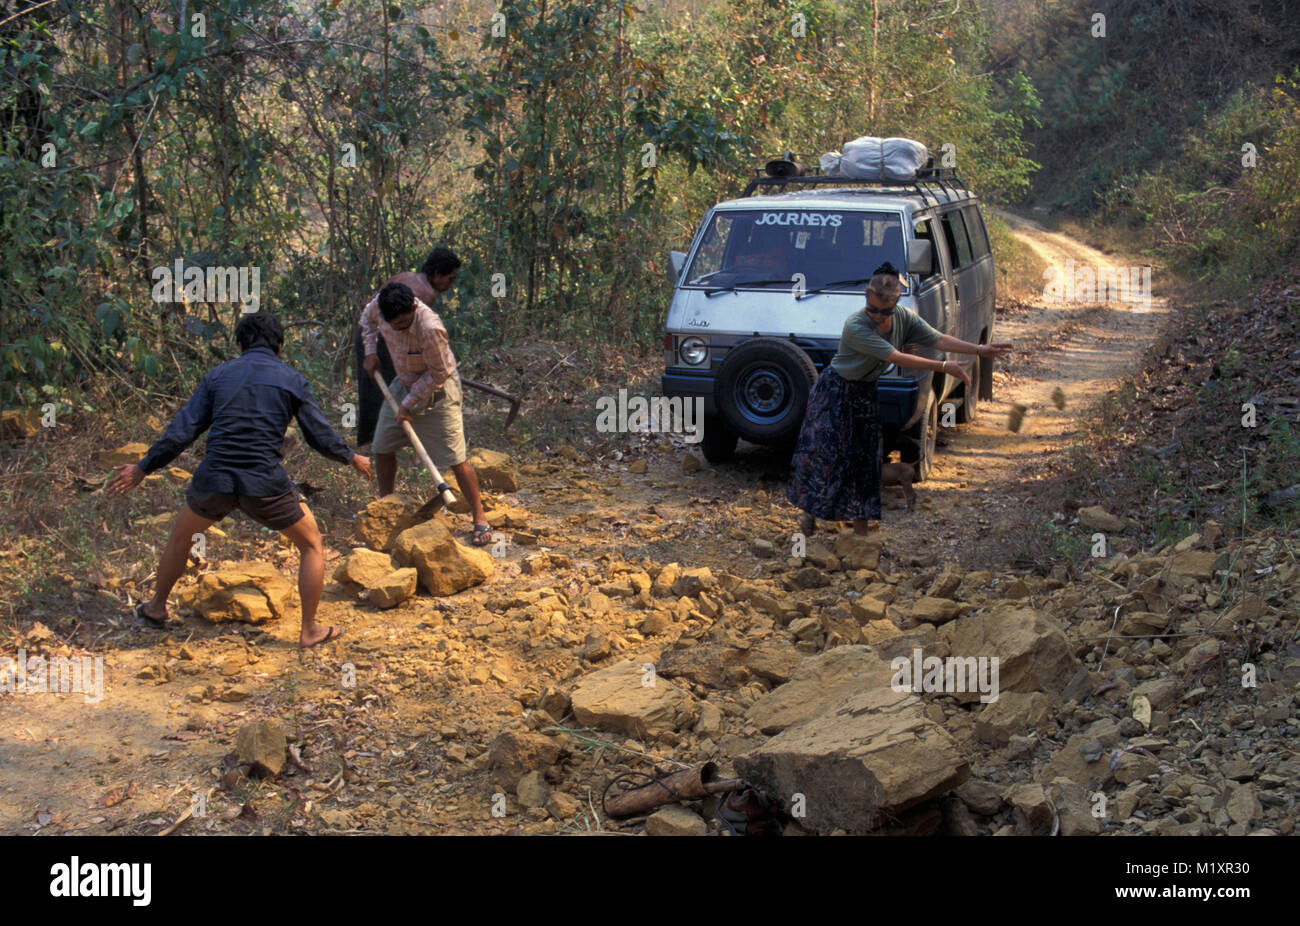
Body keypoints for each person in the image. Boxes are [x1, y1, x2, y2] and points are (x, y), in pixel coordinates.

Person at [106, 312, 372, 650]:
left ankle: (156, 608)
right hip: (264, 483)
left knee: (181, 537)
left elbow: (183, 431)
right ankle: (309, 630)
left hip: (215, 479)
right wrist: (350, 457)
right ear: (280, 346)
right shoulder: (291, 379)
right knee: (311, 545)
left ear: (240, 344)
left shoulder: (218, 375)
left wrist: (143, 467)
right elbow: (318, 434)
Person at [787, 262, 1012, 535]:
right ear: (866, 300)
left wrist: (978, 349)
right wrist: (943, 367)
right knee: (825, 455)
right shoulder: (857, 325)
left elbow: (938, 339)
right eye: (873, 309)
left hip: (864, 392)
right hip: (835, 392)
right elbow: (896, 357)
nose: (878, 317)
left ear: (895, 305)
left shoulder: (903, 318)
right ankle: (810, 515)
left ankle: (861, 535)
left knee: (867, 462)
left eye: (885, 312)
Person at [359, 250, 491, 545]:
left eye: (405, 323)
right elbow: (366, 323)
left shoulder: (430, 326)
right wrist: (370, 352)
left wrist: (408, 404)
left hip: (438, 390)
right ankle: (387, 508)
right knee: (382, 447)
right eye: (394, 325)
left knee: (456, 459)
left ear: (413, 311)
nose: (399, 329)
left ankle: (480, 518)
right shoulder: (378, 308)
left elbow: (439, 372)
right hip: (403, 381)